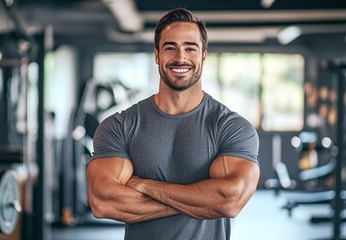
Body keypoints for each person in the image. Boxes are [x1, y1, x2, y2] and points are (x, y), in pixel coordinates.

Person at [86, 7, 260, 240]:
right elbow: (103, 202)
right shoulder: (120, 126)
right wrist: (202, 202)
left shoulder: (231, 128)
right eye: (171, 48)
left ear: (203, 56)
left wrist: (146, 186)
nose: (180, 58)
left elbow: (228, 202)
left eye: (190, 48)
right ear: (157, 55)